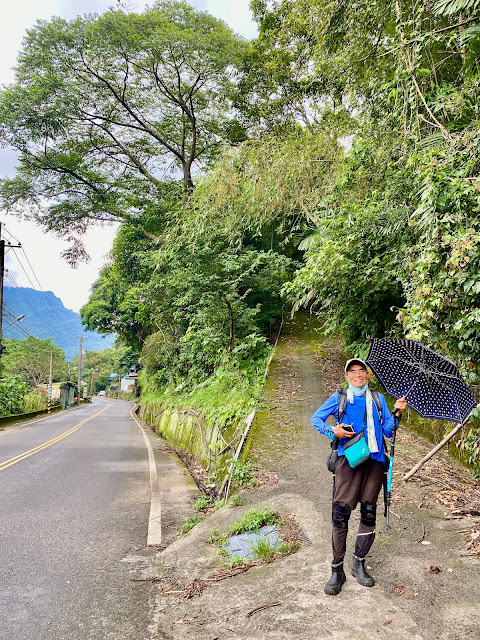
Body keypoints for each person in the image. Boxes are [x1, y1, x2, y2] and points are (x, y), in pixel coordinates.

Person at [312, 358, 407, 596]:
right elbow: (316, 419)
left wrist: (396, 412)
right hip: (349, 460)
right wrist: (332, 430)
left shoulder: (378, 398)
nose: (358, 375)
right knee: (340, 514)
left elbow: (387, 429)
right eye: (352, 371)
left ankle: (359, 562)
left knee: (368, 511)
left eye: (361, 371)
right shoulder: (340, 397)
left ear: (367, 375)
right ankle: (337, 570)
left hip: (375, 461)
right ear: (346, 376)